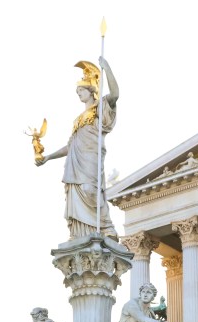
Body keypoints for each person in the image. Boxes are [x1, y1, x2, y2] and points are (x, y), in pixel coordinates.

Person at [36, 57, 119, 239]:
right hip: (75, 163)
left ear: (91, 90)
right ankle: (80, 234)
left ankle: (106, 227)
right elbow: (70, 145)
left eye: (81, 90)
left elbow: (115, 94)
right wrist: (48, 157)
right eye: (77, 92)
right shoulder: (77, 120)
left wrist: (107, 69)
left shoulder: (99, 108)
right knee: (75, 195)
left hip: (91, 157)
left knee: (91, 190)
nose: (79, 94)